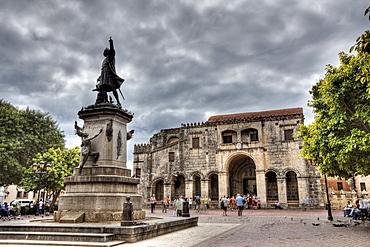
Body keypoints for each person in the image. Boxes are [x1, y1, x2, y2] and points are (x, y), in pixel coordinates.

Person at [96, 37, 125, 106]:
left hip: (109, 74)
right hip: (104, 73)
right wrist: (100, 77)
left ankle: (118, 102)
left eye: (105, 51)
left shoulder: (110, 57)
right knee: (103, 87)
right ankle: (105, 100)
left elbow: (112, 50)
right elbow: (103, 68)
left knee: (112, 87)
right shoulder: (105, 60)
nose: (104, 52)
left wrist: (111, 43)